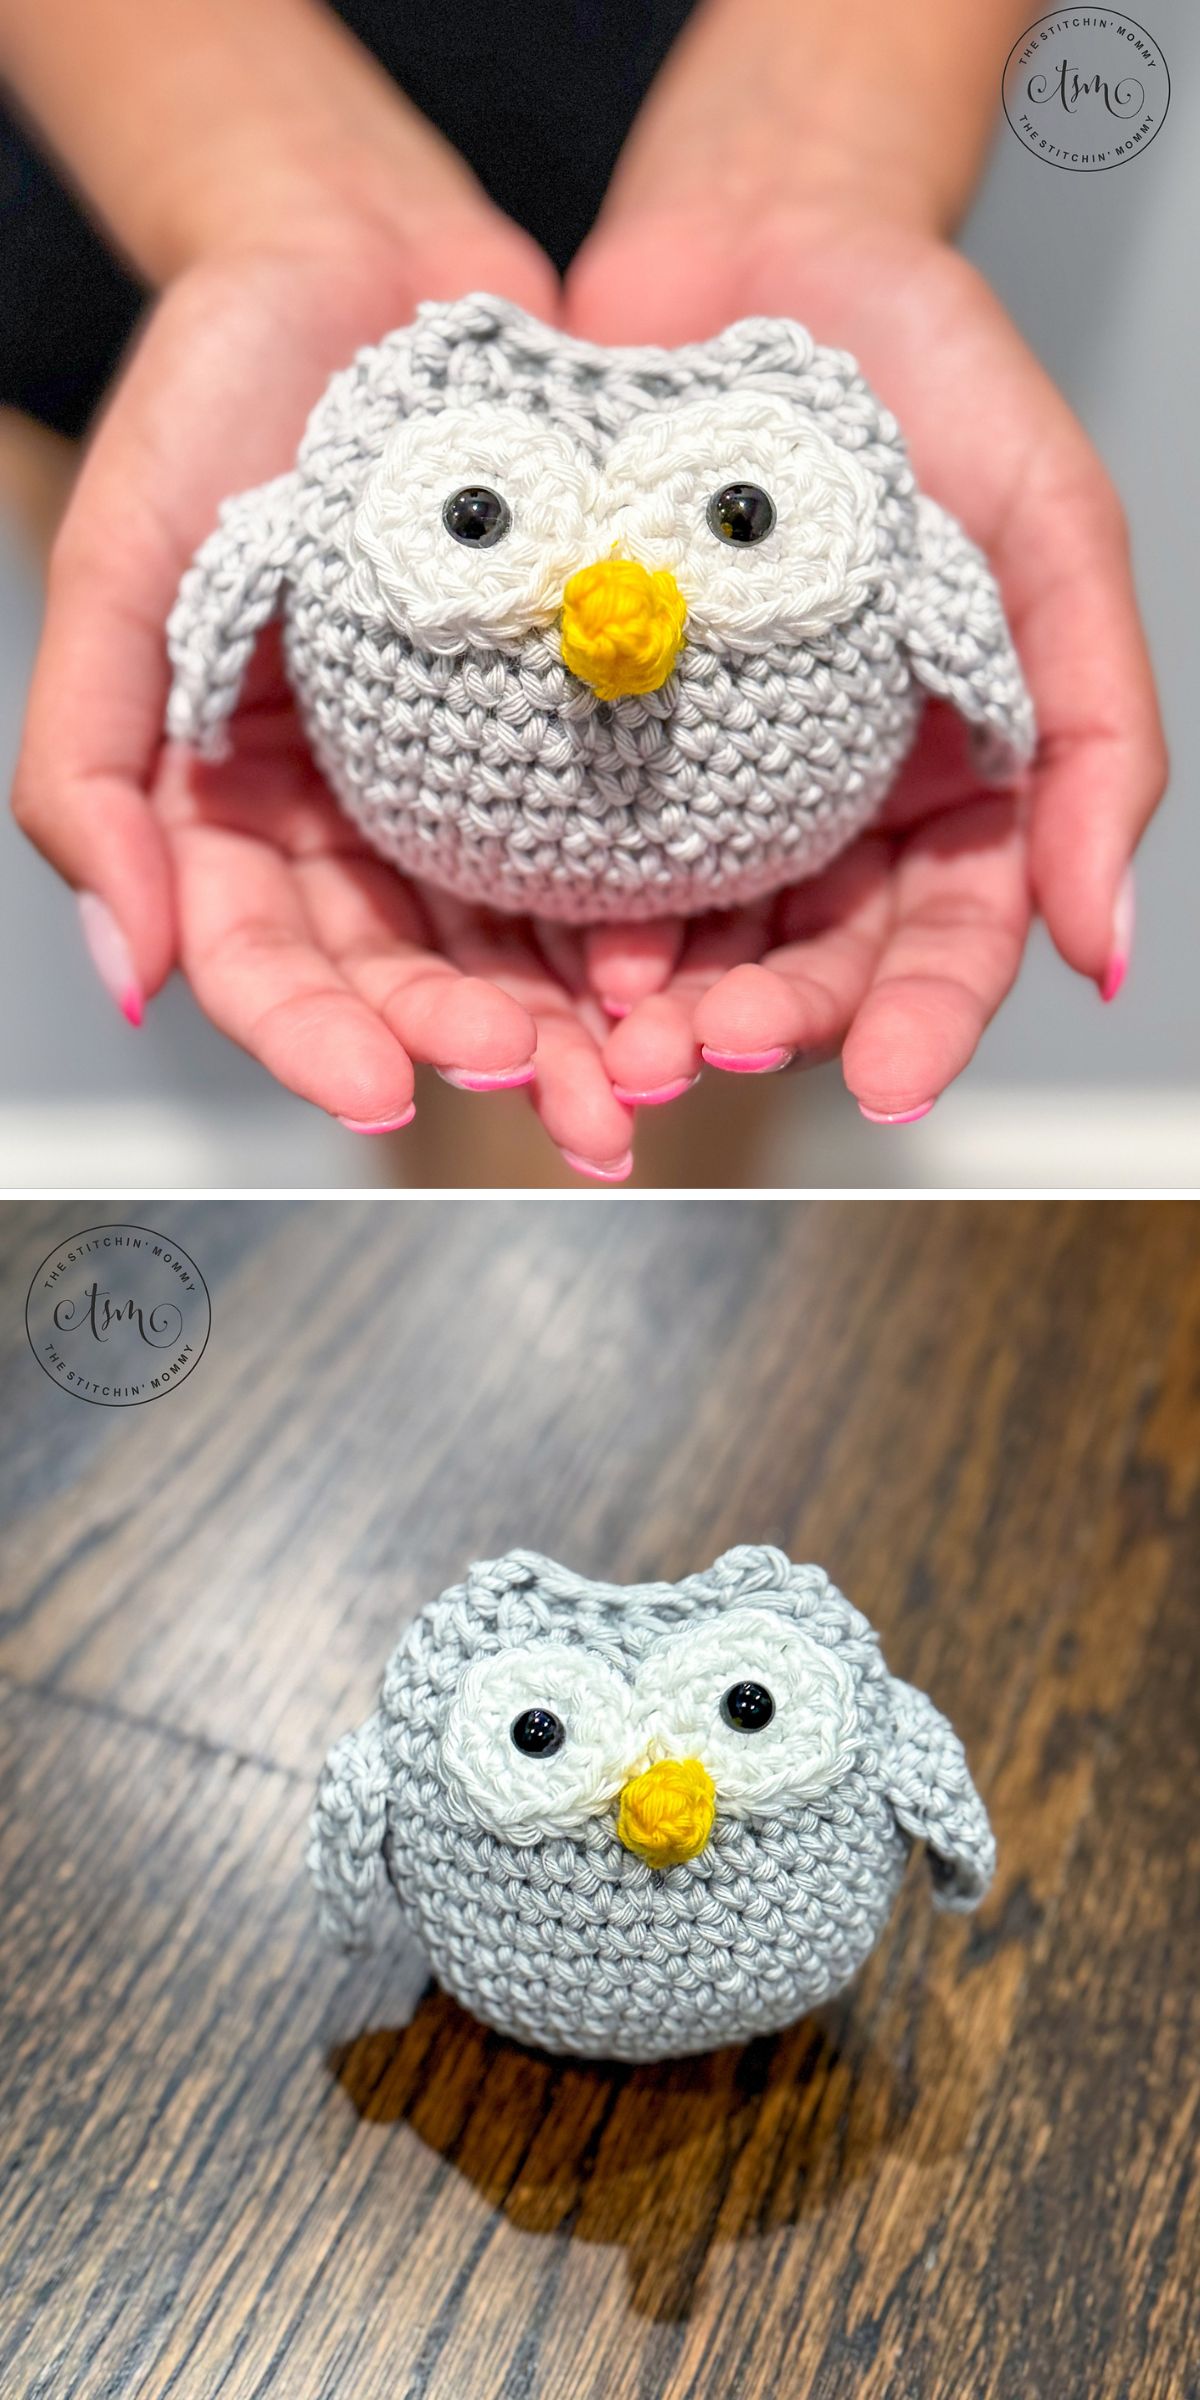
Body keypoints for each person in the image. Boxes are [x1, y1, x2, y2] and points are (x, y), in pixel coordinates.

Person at [1, 0, 1165, 1181]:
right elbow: (209, 685)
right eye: (475, 521)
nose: (615, 621)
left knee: (679, 1109)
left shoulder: (866, 505)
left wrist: (831, 129)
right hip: (142, 160)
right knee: (424, 1062)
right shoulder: (305, 479)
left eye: (741, 518)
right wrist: (247, 169)